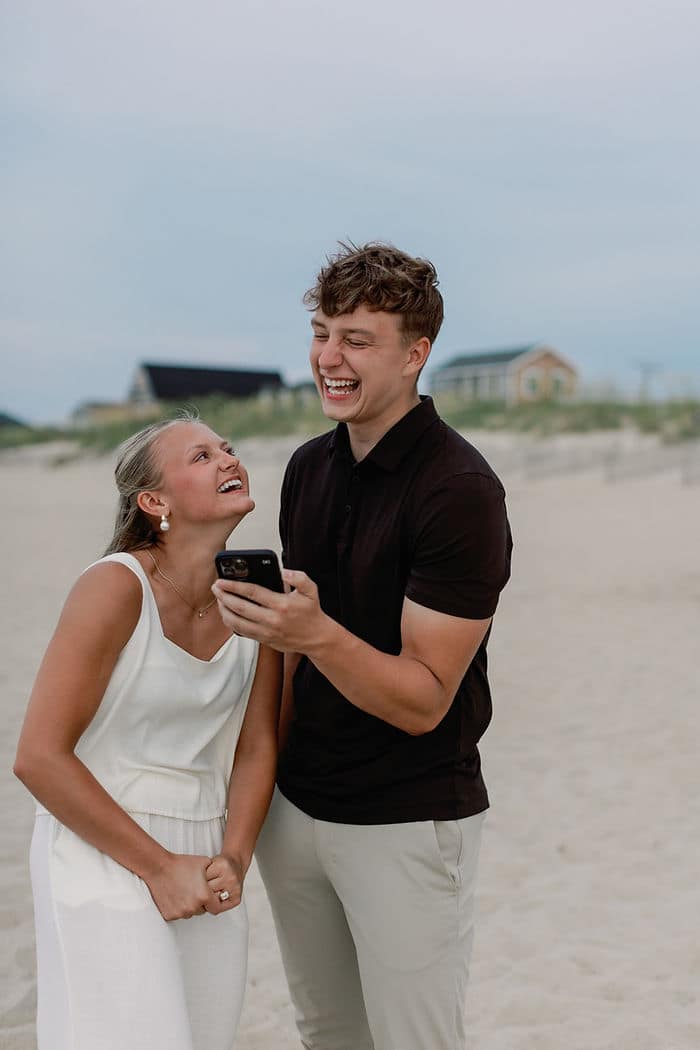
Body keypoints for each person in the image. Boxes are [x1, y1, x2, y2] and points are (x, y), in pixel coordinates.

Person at [212, 242, 513, 1050]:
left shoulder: (459, 491)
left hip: (407, 816)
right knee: (328, 1035)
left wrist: (314, 633)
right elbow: (282, 661)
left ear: (415, 354)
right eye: (321, 334)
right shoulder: (309, 467)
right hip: (297, 809)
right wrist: (259, 797)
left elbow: (423, 701)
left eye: (356, 339)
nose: (328, 359)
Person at [14, 416, 281, 1050]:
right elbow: (38, 757)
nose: (228, 459)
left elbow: (257, 746)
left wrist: (235, 857)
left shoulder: (258, 596)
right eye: (201, 456)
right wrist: (158, 868)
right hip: (102, 844)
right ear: (154, 502)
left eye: (228, 448)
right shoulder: (114, 586)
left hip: (207, 852)